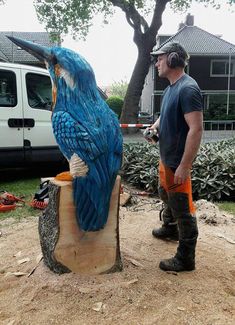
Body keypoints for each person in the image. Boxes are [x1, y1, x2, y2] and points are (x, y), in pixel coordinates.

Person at [146, 42, 203, 272]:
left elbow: (196, 129)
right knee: (164, 193)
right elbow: (165, 115)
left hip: (178, 162)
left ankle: (185, 258)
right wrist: (154, 128)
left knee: (183, 209)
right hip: (166, 158)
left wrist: (184, 166)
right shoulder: (171, 88)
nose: (156, 63)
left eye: (159, 58)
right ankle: (170, 228)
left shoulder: (188, 88)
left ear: (172, 59)